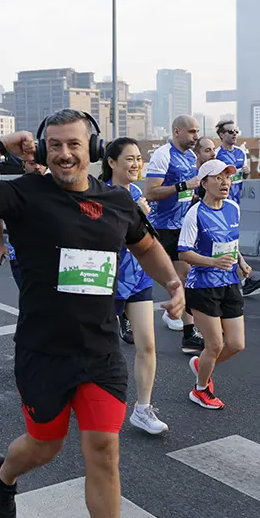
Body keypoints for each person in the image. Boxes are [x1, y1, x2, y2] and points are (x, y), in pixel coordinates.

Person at [0, 111, 185, 518]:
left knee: (104, 452)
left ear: (93, 149)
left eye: (74, 144)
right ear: (43, 148)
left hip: (99, 352)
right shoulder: (25, 194)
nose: (64, 154)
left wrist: (173, 282)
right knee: (44, 447)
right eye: (54, 145)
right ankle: (2, 475)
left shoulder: (117, 201)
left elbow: (146, 245)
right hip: (43, 351)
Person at [101, 138, 168, 435]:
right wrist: (130, 212)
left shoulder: (138, 192)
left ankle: (142, 409)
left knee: (148, 344)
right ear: (112, 162)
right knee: (98, 347)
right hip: (108, 280)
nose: (135, 164)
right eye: (128, 159)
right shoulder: (99, 194)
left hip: (138, 277)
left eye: (138, 159)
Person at [178, 159, 251, 410]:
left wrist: (241, 262)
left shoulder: (233, 208)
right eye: (218, 178)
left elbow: (232, 242)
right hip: (202, 285)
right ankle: (200, 389)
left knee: (236, 344)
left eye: (227, 178)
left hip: (229, 282)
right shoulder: (195, 213)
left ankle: (203, 364)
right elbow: (184, 253)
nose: (225, 183)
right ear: (204, 183)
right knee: (215, 344)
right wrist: (212, 262)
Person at [144, 114, 205, 353]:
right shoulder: (163, 155)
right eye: (191, 132)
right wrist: (183, 186)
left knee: (186, 279)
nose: (195, 137)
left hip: (181, 228)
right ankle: (124, 313)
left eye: (197, 131)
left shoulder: (191, 157)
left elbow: (189, 192)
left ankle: (190, 334)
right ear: (176, 131)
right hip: (160, 228)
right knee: (152, 280)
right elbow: (150, 192)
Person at [215, 119, 260, 297]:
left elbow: (245, 176)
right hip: (221, 203)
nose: (234, 134)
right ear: (221, 135)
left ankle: (239, 278)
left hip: (236, 203)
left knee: (229, 239)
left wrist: (246, 172)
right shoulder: (217, 154)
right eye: (230, 132)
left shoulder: (240, 153)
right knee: (229, 239)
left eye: (236, 131)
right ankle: (243, 277)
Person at [0, 157, 48, 287]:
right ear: (24, 165)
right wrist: (0, 245)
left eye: (41, 163)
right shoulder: (13, 189)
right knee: (30, 299)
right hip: (20, 256)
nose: (37, 167)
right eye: (32, 163)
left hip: (48, 257)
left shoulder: (56, 189)